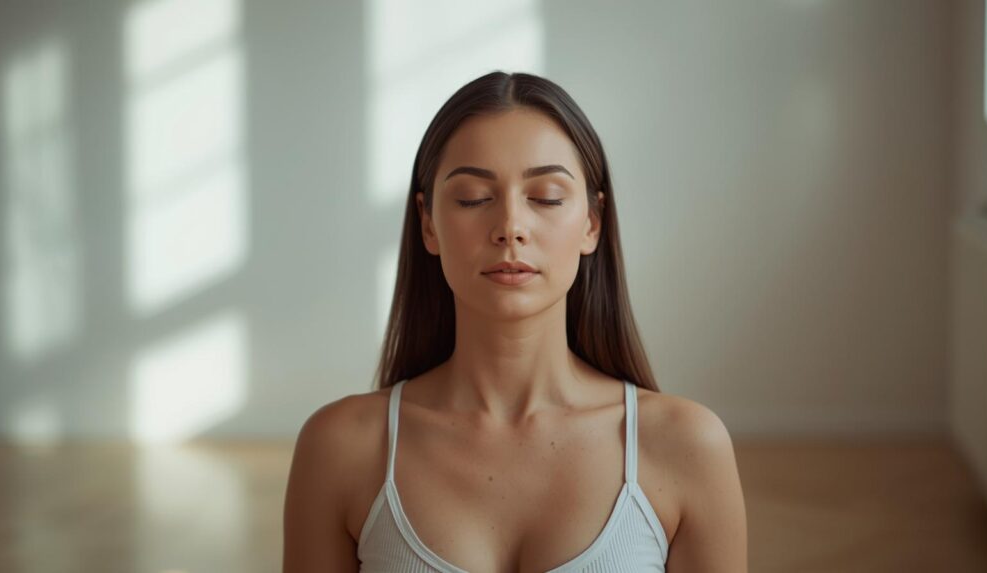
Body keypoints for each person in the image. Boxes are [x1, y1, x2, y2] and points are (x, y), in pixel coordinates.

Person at [283, 71, 747, 572]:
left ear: (592, 222)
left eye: (546, 197)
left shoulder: (686, 446)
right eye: (472, 199)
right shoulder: (340, 449)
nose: (509, 228)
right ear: (428, 223)